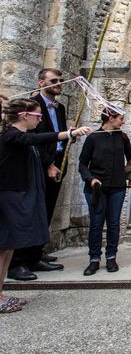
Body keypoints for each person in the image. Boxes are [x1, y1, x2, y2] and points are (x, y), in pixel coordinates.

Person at [0, 99, 91, 313]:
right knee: (2, 246)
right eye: (38, 116)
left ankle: (1, 292)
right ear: (24, 115)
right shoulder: (12, 135)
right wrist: (69, 134)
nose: (40, 120)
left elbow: (35, 142)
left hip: (18, 195)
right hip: (9, 197)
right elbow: (38, 138)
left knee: (8, 246)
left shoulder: (19, 138)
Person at [8, 68, 69, 280]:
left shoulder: (59, 107)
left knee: (45, 210)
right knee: (29, 213)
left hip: (58, 163)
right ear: (41, 82)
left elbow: (55, 134)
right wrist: (49, 163)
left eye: (61, 80)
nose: (59, 83)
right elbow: (34, 138)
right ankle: (18, 262)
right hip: (40, 165)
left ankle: (35, 255)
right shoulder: (32, 106)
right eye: (54, 80)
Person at [78, 109, 131, 276]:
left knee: (114, 223)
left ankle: (111, 257)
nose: (123, 122)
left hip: (117, 187)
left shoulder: (123, 137)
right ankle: (94, 259)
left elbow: (130, 162)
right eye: (120, 119)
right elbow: (82, 164)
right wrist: (91, 179)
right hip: (96, 188)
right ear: (110, 118)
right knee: (96, 223)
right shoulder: (93, 138)